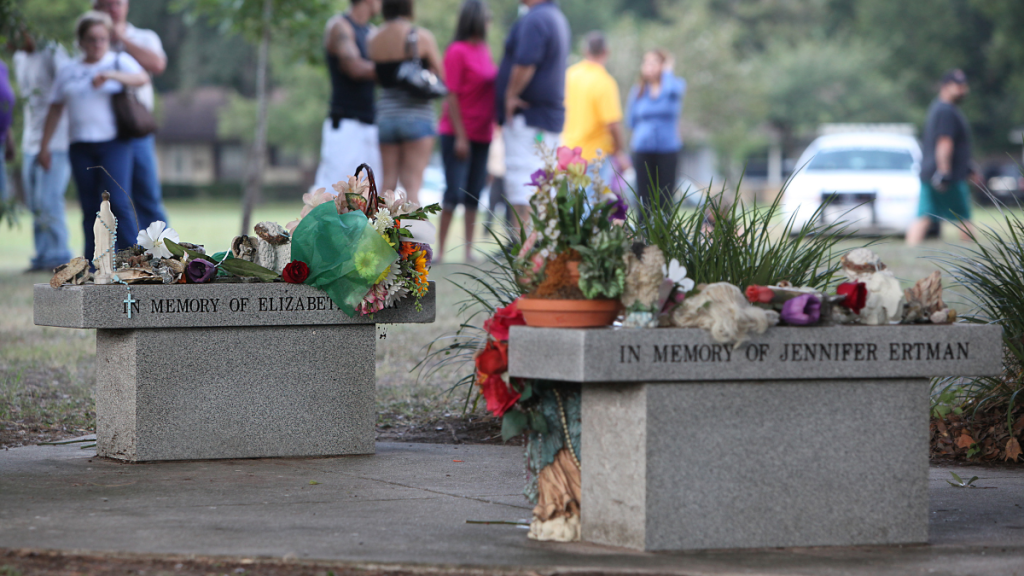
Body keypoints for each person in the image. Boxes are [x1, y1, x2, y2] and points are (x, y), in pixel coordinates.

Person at [38, 11, 150, 261]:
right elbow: (55, 108)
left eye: (102, 39)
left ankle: (133, 259)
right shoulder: (69, 70)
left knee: (118, 203)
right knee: (90, 207)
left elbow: (142, 78)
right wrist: (43, 147)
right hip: (80, 146)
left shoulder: (118, 61)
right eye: (91, 39)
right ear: (81, 41)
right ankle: (92, 263)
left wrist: (111, 75)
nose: (97, 44)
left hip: (114, 144)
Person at [495, 0, 570, 234]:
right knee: (542, 183)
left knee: (524, 183)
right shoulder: (553, 17)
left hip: (529, 118)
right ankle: (538, 247)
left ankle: (523, 248)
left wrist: (510, 95)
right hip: (542, 117)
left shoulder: (536, 19)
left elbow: (526, 62)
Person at [94, 0, 169, 232]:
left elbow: (157, 64)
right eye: (105, 5)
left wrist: (122, 40)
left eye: (116, 3)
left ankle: (165, 252)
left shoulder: (144, 37)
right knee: (110, 199)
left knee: (147, 194)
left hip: (135, 128)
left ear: (126, 6)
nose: (112, 10)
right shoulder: (91, 41)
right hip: (102, 130)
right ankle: (119, 256)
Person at [437, 0, 497, 263]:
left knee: (474, 194)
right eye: (486, 17)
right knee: (454, 192)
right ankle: (439, 252)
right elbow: (450, 95)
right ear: (475, 20)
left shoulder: (484, 50)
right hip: (457, 134)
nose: (489, 21)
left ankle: (468, 252)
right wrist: (461, 135)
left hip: (483, 134)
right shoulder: (456, 51)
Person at [368, 0, 444, 205]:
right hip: (417, 117)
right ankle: (413, 238)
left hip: (386, 116)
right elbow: (442, 76)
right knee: (412, 187)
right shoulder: (421, 37)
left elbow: (377, 76)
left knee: (387, 185)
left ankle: (380, 236)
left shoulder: (373, 38)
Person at [14, 32, 75, 272]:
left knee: (49, 200)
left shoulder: (52, 50)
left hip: (56, 141)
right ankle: (43, 255)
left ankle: (58, 255)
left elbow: (66, 92)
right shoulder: (19, 57)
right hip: (30, 139)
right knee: (35, 203)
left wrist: (47, 144)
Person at [314, 0, 383, 190]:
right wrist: (393, 71)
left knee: (374, 197)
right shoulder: (339, 26)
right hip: (345, 125)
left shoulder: (372, 32)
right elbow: (354, 68)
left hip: (372, 125)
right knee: (334, 194)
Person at [906, 69, 975, 246]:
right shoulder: (946, 111)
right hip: (946, 176)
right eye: (958, 86)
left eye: (964, 86)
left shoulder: (939, 107)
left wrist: (968, 168)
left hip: (931, 172)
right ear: (945, 87)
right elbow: (944, 141)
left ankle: (910, 248)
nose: (963, 90)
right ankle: (974, 255)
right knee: (964, 218)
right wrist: (944, 172)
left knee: (924, 215)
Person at [561, 31, 629, 186]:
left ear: (585, 51)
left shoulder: (570, 75)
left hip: (568, 151)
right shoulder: (604, 81)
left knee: (573, 204)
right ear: (606, 52)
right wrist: (619, 151)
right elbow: (612, 123)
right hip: (594, 155)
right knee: (592, 205)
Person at [627, 49, 686, 210]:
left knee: (665, 198)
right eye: (646, 62)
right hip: (642, 149)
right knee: (643, 198)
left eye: (654, 62)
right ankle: (643, 234)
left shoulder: (674, 86)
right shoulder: (638, 90)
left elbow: (670, 91)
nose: (649, 66)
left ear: (663, 65)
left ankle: (663, 234)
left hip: (667, 150)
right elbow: (630, 120)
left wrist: (667, 73)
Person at [0, 58, 14, 205]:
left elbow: (5, 102)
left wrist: (9, 138)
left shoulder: (2, 67)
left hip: (1, 141)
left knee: (2, 200)